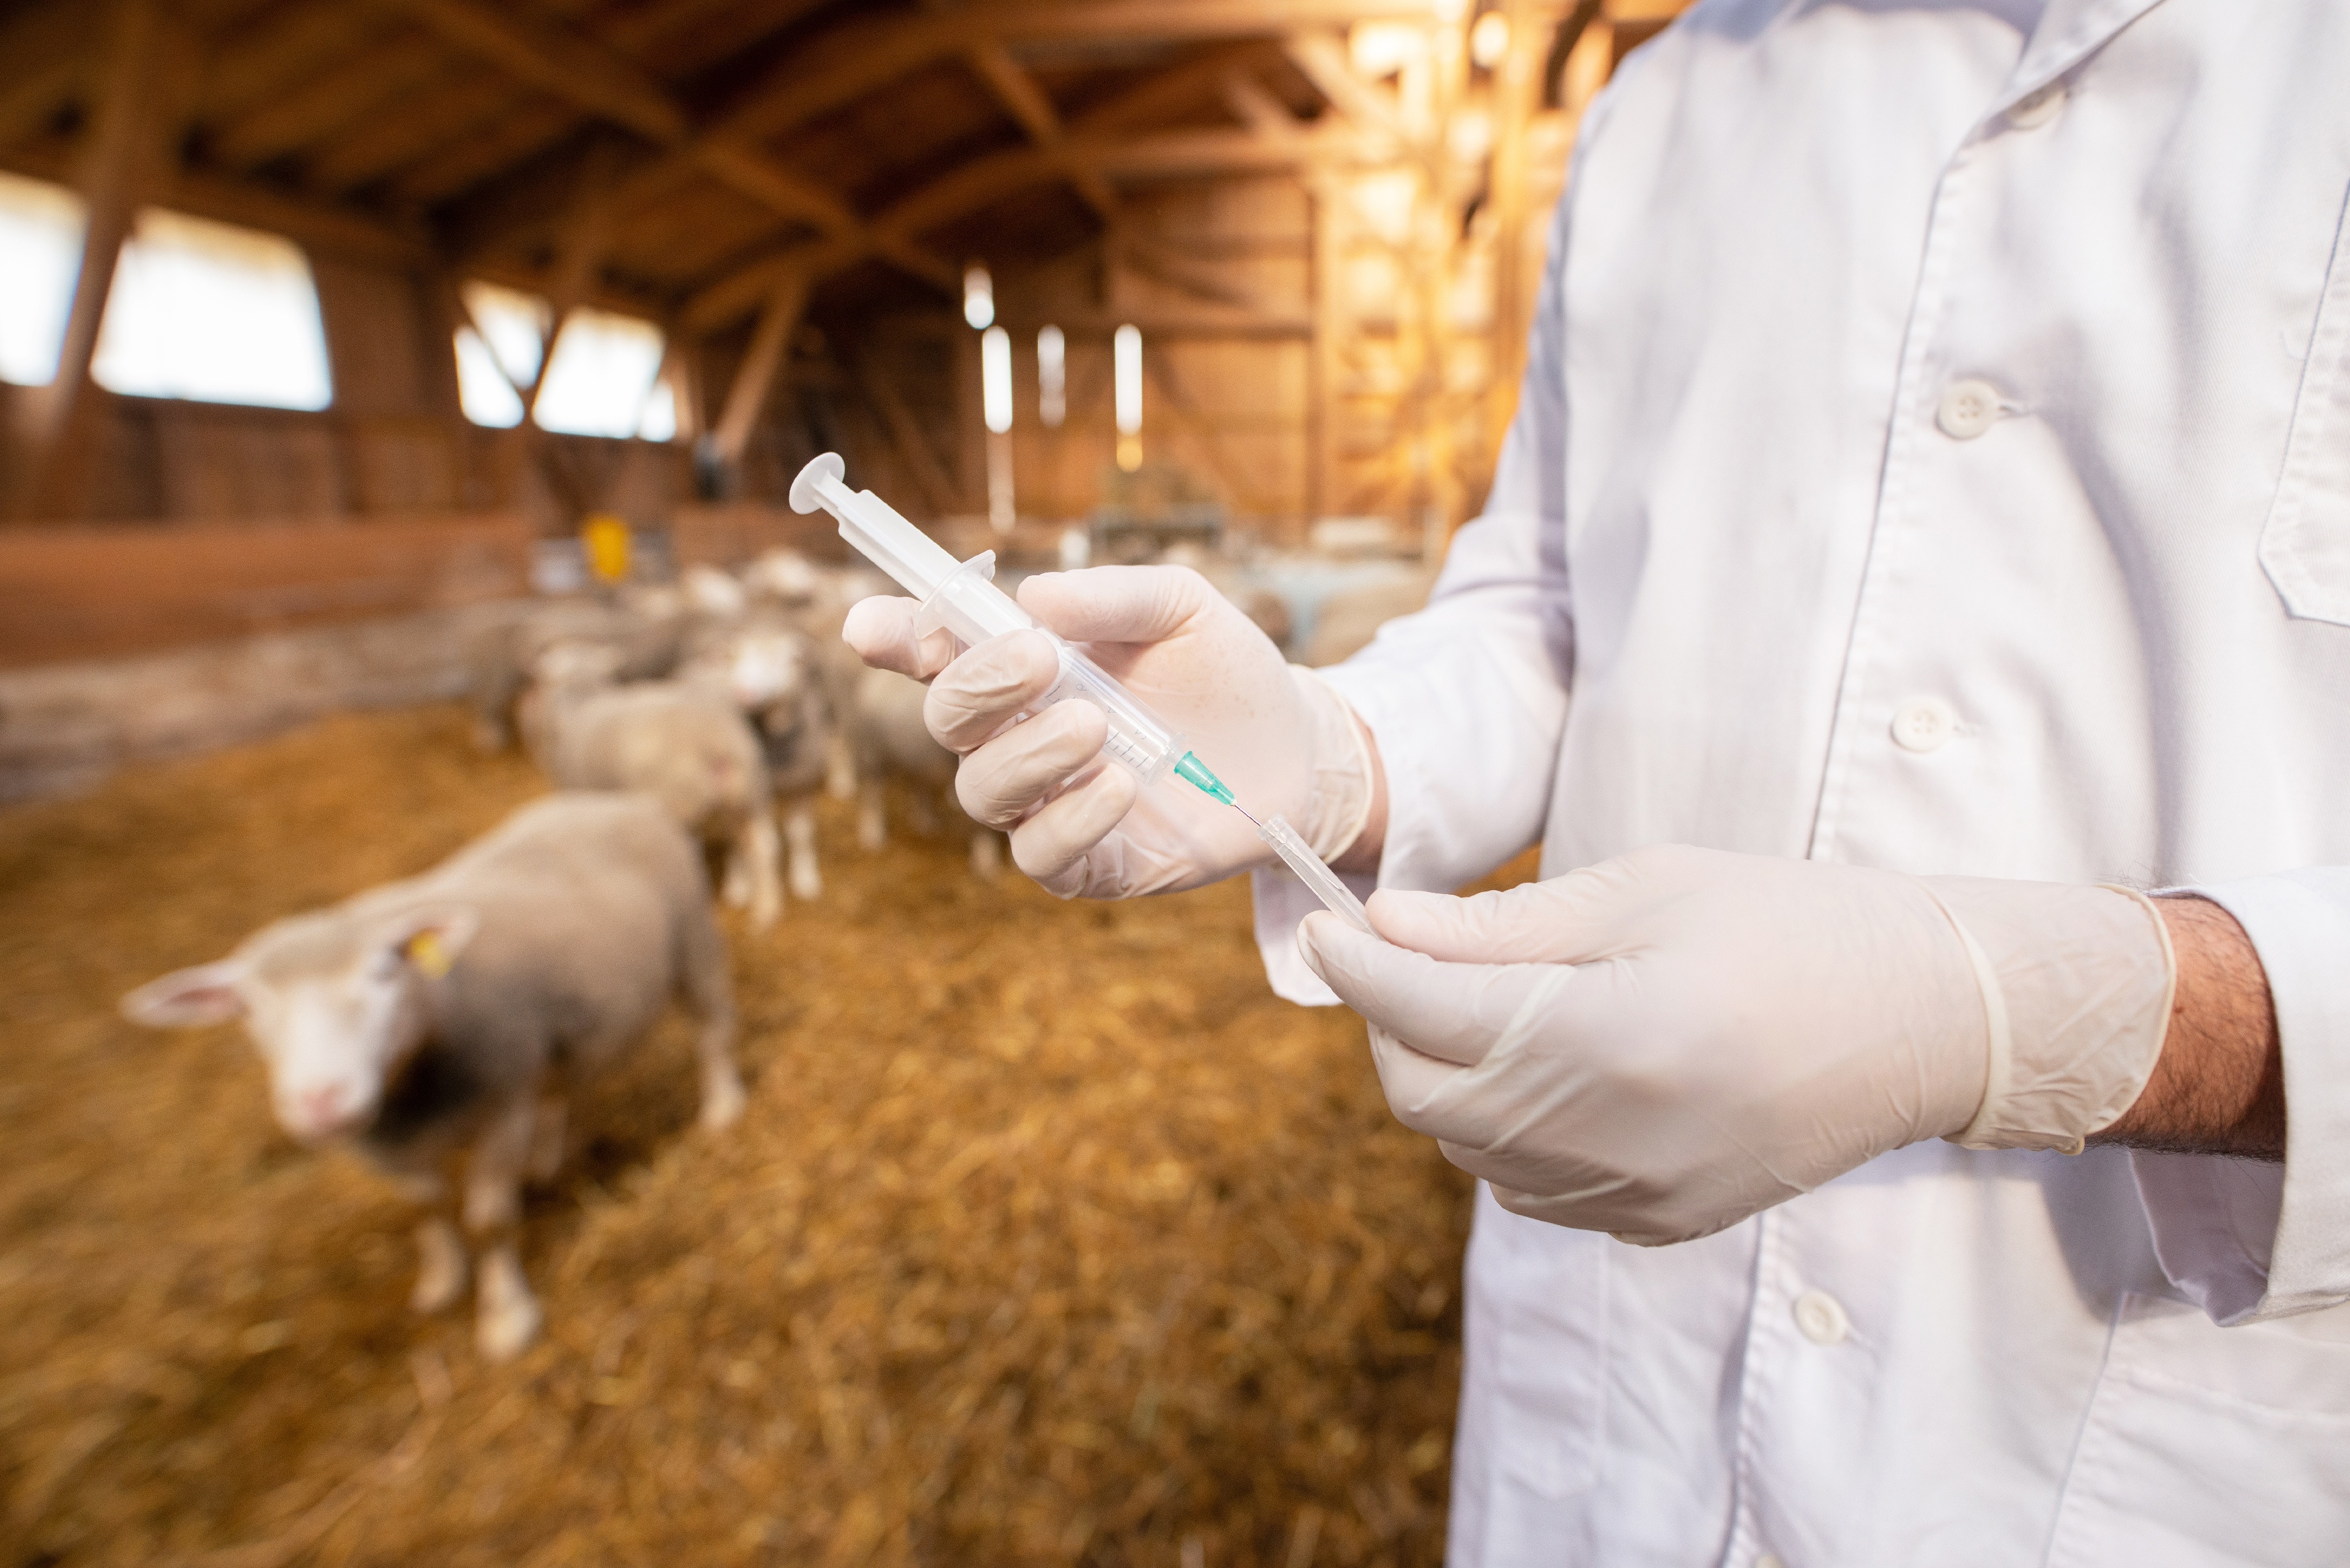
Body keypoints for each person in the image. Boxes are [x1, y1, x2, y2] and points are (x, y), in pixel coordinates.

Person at [847, 1, 2350, 1561]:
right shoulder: (1667, 99)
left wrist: (2037, 1015)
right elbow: (1556, 603)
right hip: (1614, 1417)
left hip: (2135, 1436)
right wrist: (1335, 750)